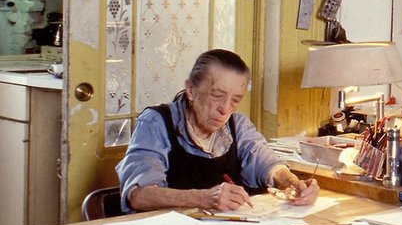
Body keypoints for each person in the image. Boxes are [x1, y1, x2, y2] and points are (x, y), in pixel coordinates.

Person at [117, 49, 319, 213]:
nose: (225, 109)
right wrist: (203, 198)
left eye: (235, 100)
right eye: (217, 96)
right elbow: (138, 196)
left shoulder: (238, 126)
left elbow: (270, 166)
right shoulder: (156, 122)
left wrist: (294, 184)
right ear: (191, 90)